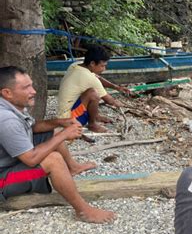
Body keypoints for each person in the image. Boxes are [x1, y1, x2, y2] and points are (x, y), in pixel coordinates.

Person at [0, 66, 116, 223]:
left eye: (31, 85)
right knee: (53, 160)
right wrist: (64, 135)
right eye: (26, 87)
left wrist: (60, 122)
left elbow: (32, 128)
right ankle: (83, 210)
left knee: (53, 132)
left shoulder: (10, 105)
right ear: (7, 93)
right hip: (3, 181)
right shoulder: (6, 119)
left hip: (10, 162)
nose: (33, 91)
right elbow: (31, 159)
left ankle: (73, 167)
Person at [57, 45, 131, 133]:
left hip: (63, 114)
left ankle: (95, 116)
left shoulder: (75, 65)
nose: (104, 69)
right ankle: (93, 124)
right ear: (92, 63)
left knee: (90, 92)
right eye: (102, 66)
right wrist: (122, 104)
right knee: (93, 94)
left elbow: (97, 77)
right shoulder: (87, 77)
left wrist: (116, 87)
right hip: (69, 119)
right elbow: (110, 101)